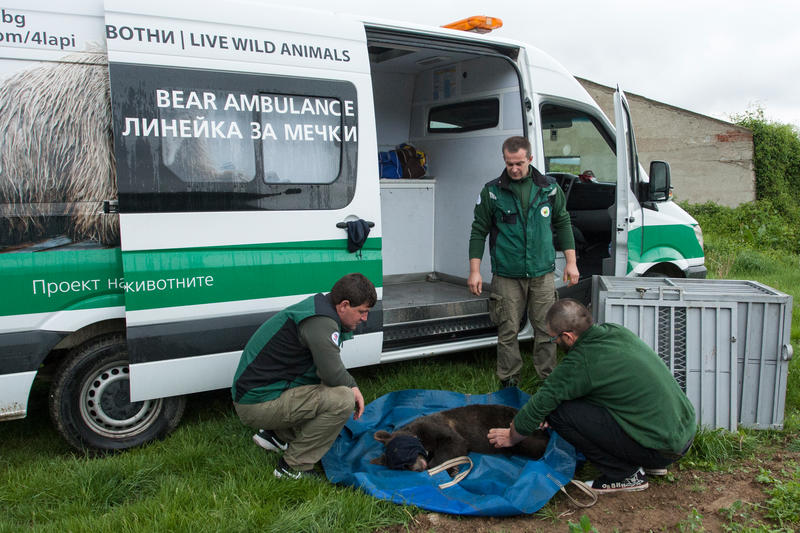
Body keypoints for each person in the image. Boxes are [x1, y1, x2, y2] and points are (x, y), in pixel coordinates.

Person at [487, 299, 697, 493]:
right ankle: (649, 460)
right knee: (572, 403)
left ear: (568, 337)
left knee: (559, 413)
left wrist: (511, 436)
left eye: (554, 338)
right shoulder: (614, 332)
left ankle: (624, 474)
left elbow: (539, 405)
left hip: (661, 448)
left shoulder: (580, 363)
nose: (554, 342)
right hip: (682, 434)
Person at [231, 273, 377, 480]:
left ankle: (275, 435)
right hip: (256, 404)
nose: (365, 318)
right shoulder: (321, 323)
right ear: (344, 305)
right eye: (361, 311)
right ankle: (293, 466)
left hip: (261, 395)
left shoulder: (320, 308)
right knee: (343, 399)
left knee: (327, 390)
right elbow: (332, 373)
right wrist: (353, 387)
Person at [468, 136, 579, 387]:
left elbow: (563, 223)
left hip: (542, 273)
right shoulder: (492, 192)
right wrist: (475, 270)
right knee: (507, 329)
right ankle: (509, 380)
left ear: (530, 159)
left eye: (519, 163)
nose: (515, 169)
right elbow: (479, 230)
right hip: (507, 274)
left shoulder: (549, 189)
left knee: (547, 329)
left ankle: (547, 378)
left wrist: (571, 263)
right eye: (509, 164)